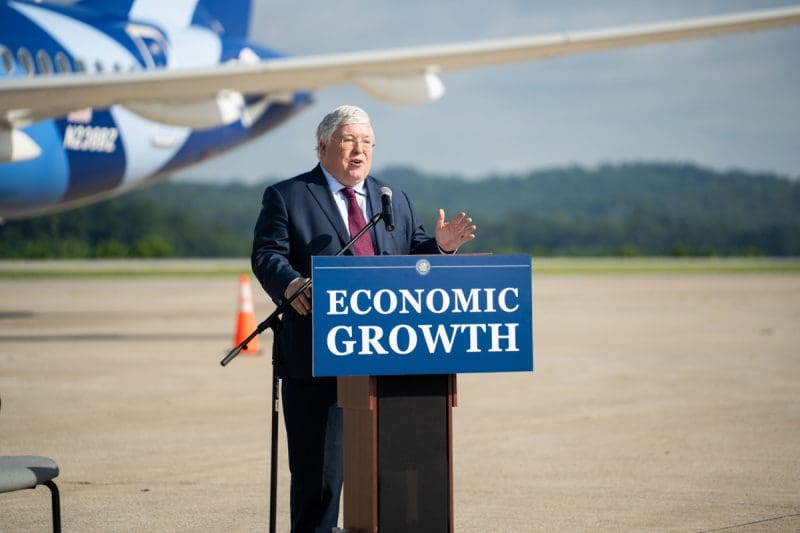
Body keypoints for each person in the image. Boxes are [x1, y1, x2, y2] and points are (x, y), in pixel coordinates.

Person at [251, 104, 476, 533]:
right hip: (318, 358)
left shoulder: (393, 198)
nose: (360, 151)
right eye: (349, 141)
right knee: (320, 477)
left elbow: (413, 257)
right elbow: (267, 255)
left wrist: (441, 248)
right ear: (322, 147)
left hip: (389, 359)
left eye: (367, 142)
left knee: (392, 473)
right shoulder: (288, 196)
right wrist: (292, 284)